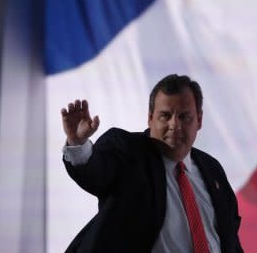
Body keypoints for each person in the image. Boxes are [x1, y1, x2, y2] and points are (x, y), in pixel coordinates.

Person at [61, 74, 243, 253]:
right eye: (165, 116)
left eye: (184, 117)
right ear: (150, 118)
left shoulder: (212, 169)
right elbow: (96, 172)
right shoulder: (128, 151)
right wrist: (78, 144)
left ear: (199, 120)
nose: (175, 125)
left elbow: (229, 237)